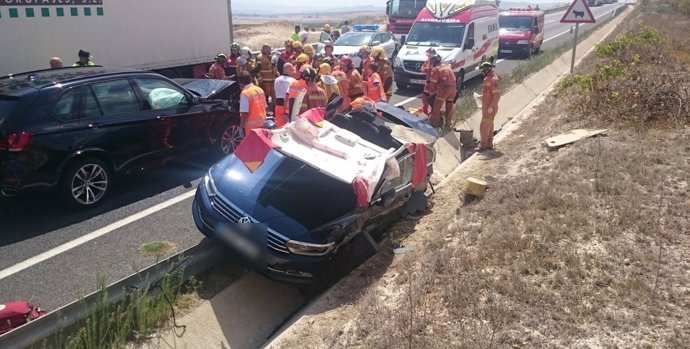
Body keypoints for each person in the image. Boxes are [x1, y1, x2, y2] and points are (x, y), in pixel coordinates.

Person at [476, 60, 501, 151]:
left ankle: (482, 146)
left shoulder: (493, 80)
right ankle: (489, 145)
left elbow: (497, 95)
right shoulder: (487, 79)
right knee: (489, 126)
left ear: (486, 70)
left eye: (483, 71)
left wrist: (491, 106)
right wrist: (481, 97)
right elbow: (488, 94)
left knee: (484, 126)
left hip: (490, 108)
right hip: (487, 107)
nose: (482, 73)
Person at [427, 54, 457, 129]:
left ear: (434, 61)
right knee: (449, 106)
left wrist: (431, 95)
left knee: (436, 108)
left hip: (444, 89)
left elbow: (432, 85)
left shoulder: (436, 69)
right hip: (453, 89)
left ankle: (434, 126)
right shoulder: (447, 66)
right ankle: (448, 124)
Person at [238, 71, 268, 136]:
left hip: (251, 127)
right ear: (251, 79)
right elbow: (266, 107)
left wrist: (241, 127)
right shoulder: (259, 89)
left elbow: (244, 113)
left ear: (240, 82)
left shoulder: (245, 93)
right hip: (263, 123)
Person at [256, 44, 278, 113]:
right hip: (265, 82)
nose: (270, 50)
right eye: (269, 49)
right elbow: (258, 71)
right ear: (264, 49)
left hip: (272, 81)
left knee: (274, 97)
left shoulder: (270, 57)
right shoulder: (260, 57)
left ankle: (275, 111)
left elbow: (273, 69)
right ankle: (265, 112)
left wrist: (276, 74)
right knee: (265, 97)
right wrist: (260, 81)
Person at [274, 63, 296, 127]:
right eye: (292, 70)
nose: (293, 72)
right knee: (288, 126)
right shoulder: (293, 81)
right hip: (288, 106)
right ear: (289, 70)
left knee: (279, 126)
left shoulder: (277, 80)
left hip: (278, 104)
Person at [420, 48, 437, 114]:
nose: (428, 55)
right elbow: (422, 69)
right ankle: (426, 111)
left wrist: (430, 68)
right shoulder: (427, 61)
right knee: (424, 98)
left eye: (430, 53)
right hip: (427, 83)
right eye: (428, 53)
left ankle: (433, 114)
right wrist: (426, 69)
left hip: (434, 84)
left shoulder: (436, 62)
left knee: (432, 100)